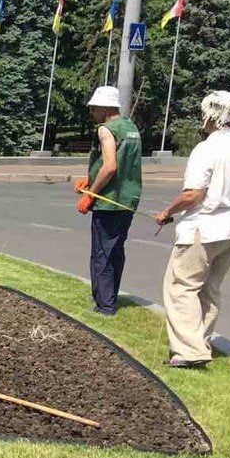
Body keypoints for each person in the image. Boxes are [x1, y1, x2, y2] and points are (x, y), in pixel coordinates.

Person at [153, 91, 230, 368]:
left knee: (181, 286)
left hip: (204, 226)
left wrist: (167, 212)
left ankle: (190, 351)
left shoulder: (206, 149)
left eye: (203, 113)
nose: (201, 118)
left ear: (212, 114)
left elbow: (193, 194)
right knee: (210, 288)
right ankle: (201, 340)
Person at [74, 85, 143, 316]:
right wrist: (91, 178)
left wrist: (90, 193)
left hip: (109, 202)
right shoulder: (131, 127)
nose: (92, 112)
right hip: (128, 200)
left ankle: (104, 306)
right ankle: (110, 297)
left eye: (94, 108)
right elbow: (124, 165)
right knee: (116, 251)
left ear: (104, 108)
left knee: (102, 254)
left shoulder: (106, 129)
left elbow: (110, 166)